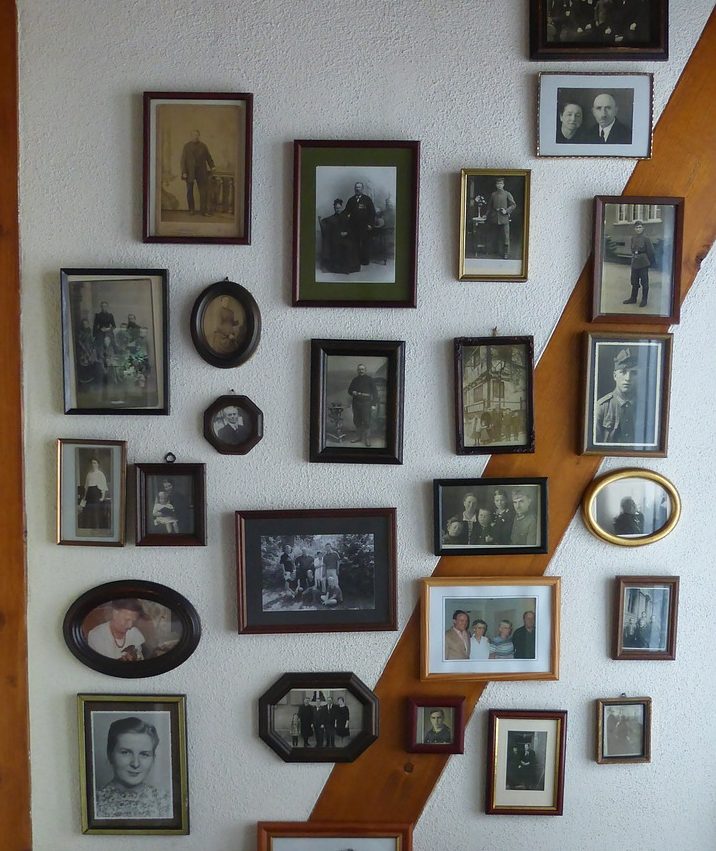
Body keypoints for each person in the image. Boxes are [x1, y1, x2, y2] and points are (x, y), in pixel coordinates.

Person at [94, 716, 171, 819]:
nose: (135, 764)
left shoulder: (166, 803)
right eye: (125, 752)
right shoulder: (94, 803)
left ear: (153, 758)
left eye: (144, 754)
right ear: (110, 755)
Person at [594, 348, 644, 444]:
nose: (628, 378)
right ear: (615, 376)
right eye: (623, 372)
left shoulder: (646, 408)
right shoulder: (601, 407)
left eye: (634, 373)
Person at [180, 129, 215, 216]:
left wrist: (212, 166)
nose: (195, 137)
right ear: (191, 136)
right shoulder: (186, 146)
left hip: (201, 171)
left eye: (196, 135)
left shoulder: (203, 146)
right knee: (189, 191)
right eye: (193, 135)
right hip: (190, 171)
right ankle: (191, 210)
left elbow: (208, 157)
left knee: (203, 192)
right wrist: (184, 172)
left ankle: (203, 211)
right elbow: (183, 160)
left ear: (199, 136)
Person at [623, 220, 655, 307]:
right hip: (635, 262)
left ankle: (644, 300)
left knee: (644, 282)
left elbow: (651, 251)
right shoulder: (633, 238)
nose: (638, 229)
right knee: (634, 281)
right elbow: (632, 249)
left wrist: (650, 262)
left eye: (640, 227)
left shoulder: (646, 239)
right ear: (634, 229)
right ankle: (633, 298)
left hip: (643, 263)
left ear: (643, 228)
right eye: (636, 227)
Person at [322, 198, 359, 273]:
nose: (338, 210)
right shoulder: (331, 219)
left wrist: (347, 233)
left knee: (351, 244)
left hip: (344, 238)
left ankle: (349, 266)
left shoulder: (345, 217)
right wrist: (338, 234)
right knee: (345, 245)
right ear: (334, 208)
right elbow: (329, 231)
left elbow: (349, 228)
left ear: (341, 208)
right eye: (336, 208)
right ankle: (341, 267)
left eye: (339, 208)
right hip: (335, 239)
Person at [343, 181, 376, 266]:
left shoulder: (367, 199)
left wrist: (370, 224)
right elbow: (346, 212)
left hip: (365, 226)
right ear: (354, 189)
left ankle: (365, 260)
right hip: (353, 226)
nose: (357, 189)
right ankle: (356, 260)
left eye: (359, 187)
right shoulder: (351, 200)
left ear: (362, 189)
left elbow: (372, 213)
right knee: (355, 243)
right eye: (356, 187)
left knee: (365, 243)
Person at [347, 363, 378, 446]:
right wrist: (352, 392)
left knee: (366, 421)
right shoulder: (355, 380)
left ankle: (367, 439)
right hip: (356, 403)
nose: (361, 371)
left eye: (362, 369)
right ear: (357, 370)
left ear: (365, 370)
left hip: (366, 403)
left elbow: (375, 392)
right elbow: (349, 390)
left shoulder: (370, 379)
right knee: (357, 420)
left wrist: (373, 404)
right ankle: (358, 437)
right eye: (359, 369)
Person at [486, 177, 516, 259]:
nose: (499, 185)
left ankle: (506, 253)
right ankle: (494, 251)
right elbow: (489, 207)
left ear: (503, 185)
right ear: (496, 185)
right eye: (498, 184)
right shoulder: (493, 194)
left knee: (505, 236)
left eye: (501, 184)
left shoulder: (507, 194)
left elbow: (513, 205)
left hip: (504, 218)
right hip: (494, 218)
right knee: (494, 235)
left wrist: (506, 211)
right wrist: (486, 215)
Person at [79, 456, 109, 530]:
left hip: (96, 494)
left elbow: (103, 486)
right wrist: (84, 497)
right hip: (89, 495)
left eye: (95, 463)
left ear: (98, 464)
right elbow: (86, 487)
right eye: (92, 463)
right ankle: (88, 530)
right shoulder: (89, 474)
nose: (93, 465)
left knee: (96, 513)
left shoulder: (100, 474)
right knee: (88, 513)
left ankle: (96, 530)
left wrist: (102, 497)